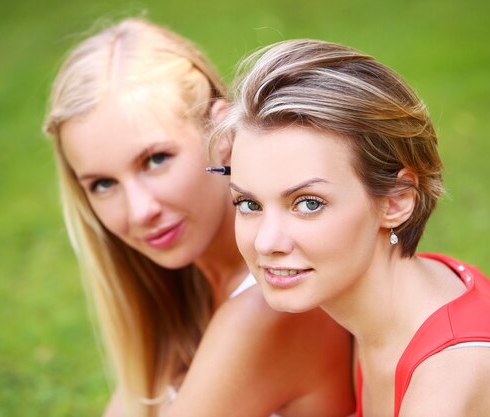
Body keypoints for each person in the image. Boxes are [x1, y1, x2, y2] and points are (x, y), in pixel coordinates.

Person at [220, 39, 490, 417]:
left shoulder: (446, 385)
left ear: (396, 201)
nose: (267, 241)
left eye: (309, 204)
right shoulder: (420, 289)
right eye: (249, 204)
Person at [43, 20, 355, 417]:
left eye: (156, 160)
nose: (140, 211)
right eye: (103, 184)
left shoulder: (270, 303)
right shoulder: (186, 286)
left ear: (221, 135)